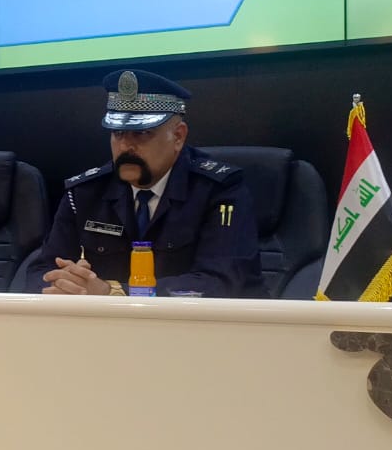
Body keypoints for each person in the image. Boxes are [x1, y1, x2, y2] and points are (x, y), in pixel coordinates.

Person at [32, 69, 263, 297]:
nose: (125, 147)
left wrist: (113, 292)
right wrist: (66, 284)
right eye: (118, 134)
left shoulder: (220, 191)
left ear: (178, 136)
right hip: (106, 321)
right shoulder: (85, 193)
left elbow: (220, 283)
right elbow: (39, 273)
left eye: (141, 134)